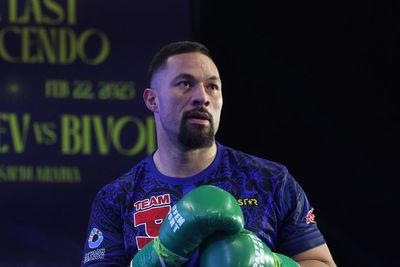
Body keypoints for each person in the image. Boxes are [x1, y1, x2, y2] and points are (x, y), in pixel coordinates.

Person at [80, 41, 336, 266]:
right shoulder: (116, 198)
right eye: (185, 83)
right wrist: (158, 256)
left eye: (212, 87)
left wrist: (273, 265)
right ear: (152, 100)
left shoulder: (271, 181)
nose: (202, 97)